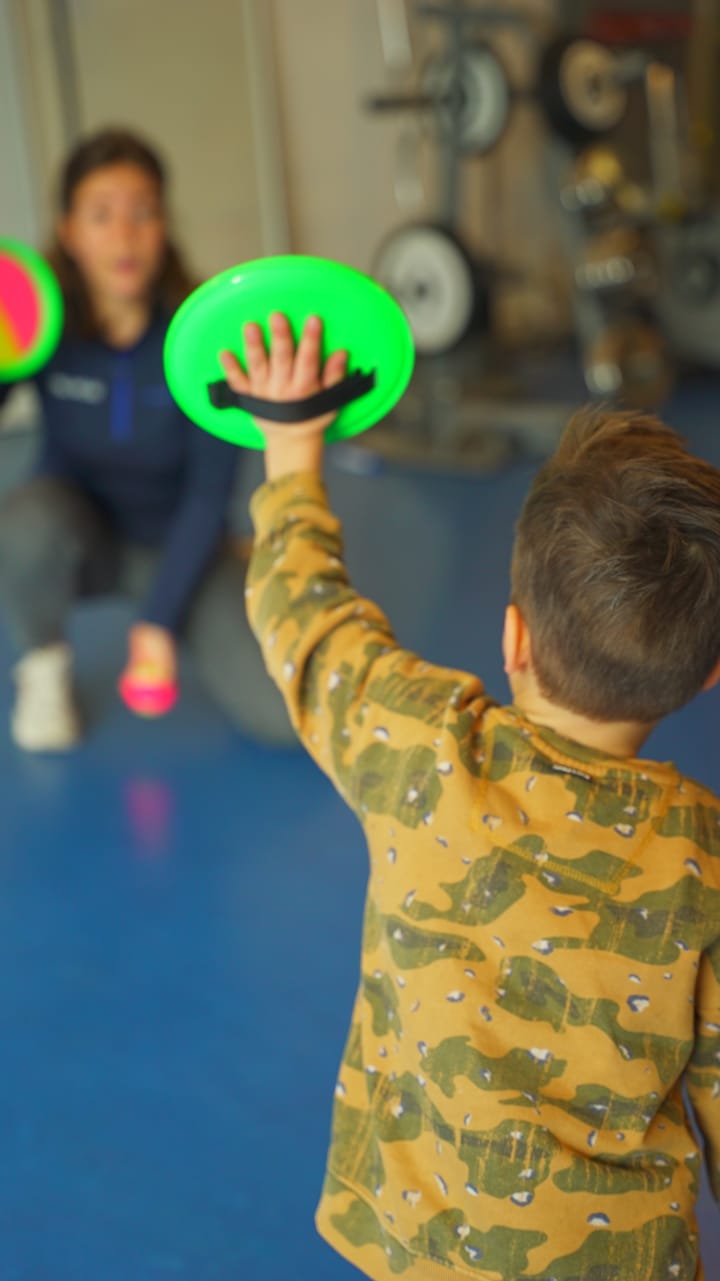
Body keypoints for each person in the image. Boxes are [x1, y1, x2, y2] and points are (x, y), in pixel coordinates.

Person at [221, 313, 720, 1281]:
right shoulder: (703, 858)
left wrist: (290, 452)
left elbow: (308, 624)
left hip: (419, 1249)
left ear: (513, 637)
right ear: (704, 677)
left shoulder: (422, 746)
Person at [0, 127, 293, 751]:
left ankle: (217, 580)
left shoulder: (202, 341)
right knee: (24, 519)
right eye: (101, 215)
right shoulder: (41, 331)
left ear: (164, 228)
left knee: (281, 719)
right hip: (83, 542)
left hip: (184, 543)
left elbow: (207, 494)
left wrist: (157, 624)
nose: (125, 233)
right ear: (68, 233)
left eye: (143, 212)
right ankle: (44, 666)